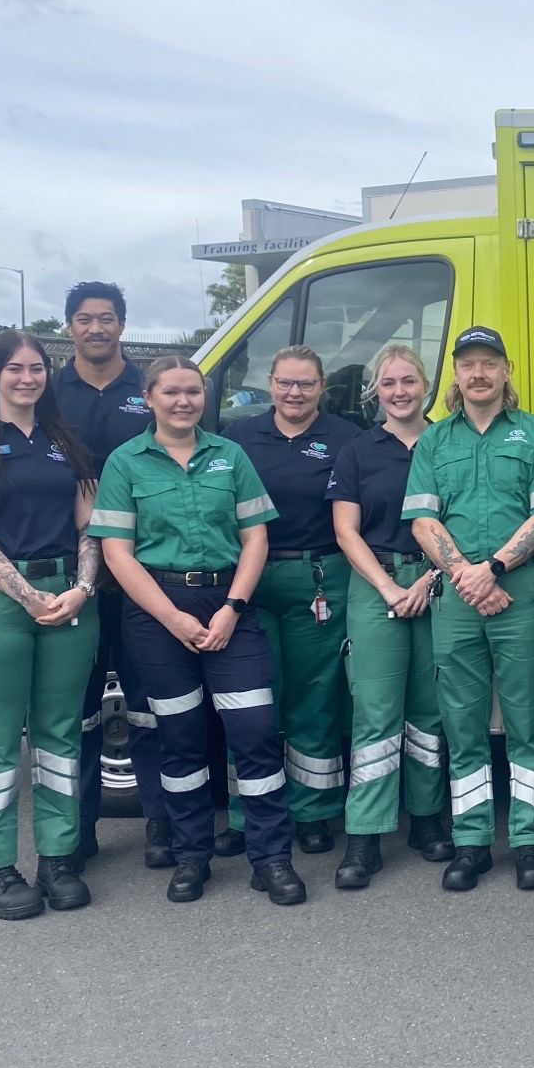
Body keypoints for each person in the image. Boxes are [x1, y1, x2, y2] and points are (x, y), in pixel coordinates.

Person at [88, 358, 304, 905]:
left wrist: (232, 607)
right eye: (172, 392)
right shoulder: (125, 462)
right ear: (150, 397)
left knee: (255, 733)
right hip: (159, 613)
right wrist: (172, 618)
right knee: (180, 741)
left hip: (230, 603)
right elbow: (117, 552)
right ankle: (191, 856)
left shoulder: (229, 455)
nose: (183, 401)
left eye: (192, 392)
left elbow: (255, 538)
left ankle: (271, 858)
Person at [55, 281, 227, 871]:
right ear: (70, 326)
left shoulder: (151, 387)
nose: (95, 329)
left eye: (106, 319)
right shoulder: (51, 393)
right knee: (75, 710)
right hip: (75, 573)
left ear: (122, 324)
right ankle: (76, 833)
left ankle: (161, 823)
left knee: (154, 705)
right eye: (84, 319)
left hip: (146, 576)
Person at [403, 326, 534, 893]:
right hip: (457, 599)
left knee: (526, 724)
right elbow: (424, 521)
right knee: (464, 725)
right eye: (468, 364)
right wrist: (465, 576)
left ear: (506, 371)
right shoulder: (434, 441)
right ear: (455, 373)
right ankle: (472, 843)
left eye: (489, 363)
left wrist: (492, 569)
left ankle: (528, 843)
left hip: (517, 593)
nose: (478, 374)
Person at [0, 331, 100, 920]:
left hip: (69, 601)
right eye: (15, 368)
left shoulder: (68, 443)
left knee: (61, 737)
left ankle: (58, 859)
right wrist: (30, 595)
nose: (27, 378)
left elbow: (90, 526)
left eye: (37, 368)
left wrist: (81, 589)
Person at [327, 344, 453, 889]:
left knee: (429, 710)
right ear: (375, 391)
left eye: (409, 380)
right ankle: (365, 836)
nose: (399, 391)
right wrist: (388, 587)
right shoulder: (358, 451)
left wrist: (427, 580)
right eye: (389, 382)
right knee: (375, 715)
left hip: (438, 584)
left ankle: (425, 820)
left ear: (425, 384)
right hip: (376, 583)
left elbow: (464, 518)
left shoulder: (449, 443)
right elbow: (345, 530)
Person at [230, 346, 361, 854]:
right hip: (251, 578)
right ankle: (249, 813)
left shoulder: (346, 439)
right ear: (270, 382)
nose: (294, 393)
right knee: (251, 703)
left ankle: (313, 810)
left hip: (318, 577)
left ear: (322, 386)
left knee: (314, 697)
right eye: (285, 383)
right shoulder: (239, 439)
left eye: (305, 384)